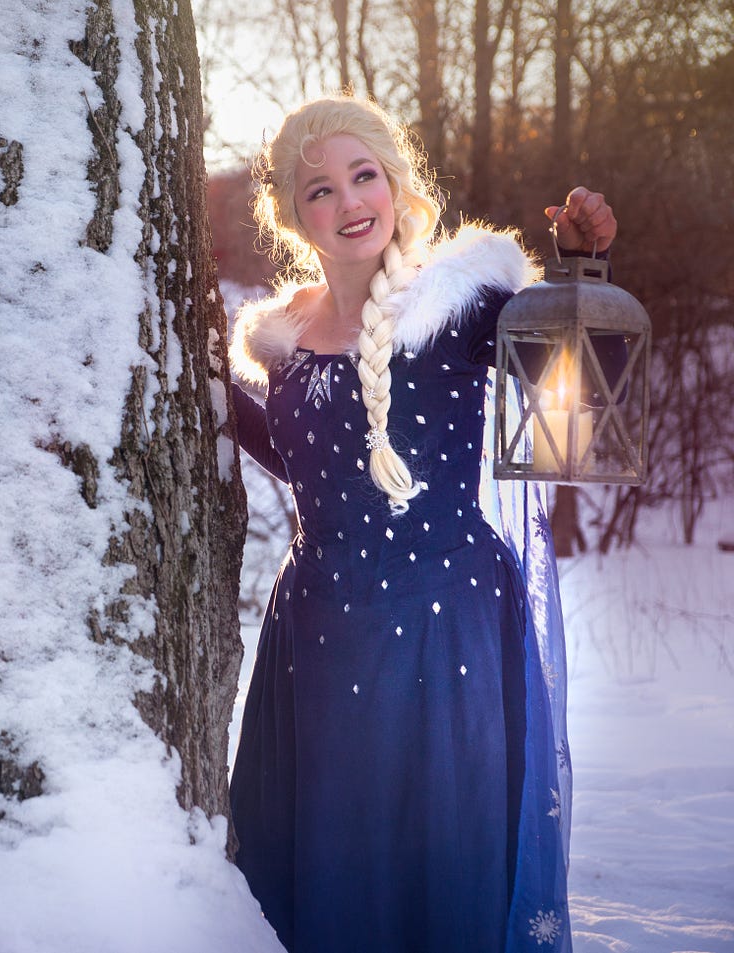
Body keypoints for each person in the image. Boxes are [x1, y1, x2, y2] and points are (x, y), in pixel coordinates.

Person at [225, 96, 616, 953]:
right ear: (293, 215)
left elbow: (575, 408)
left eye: (364, 175)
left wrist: (581, 273)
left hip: (446, 627)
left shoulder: (460, 301)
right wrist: (207, 395)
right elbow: (311, 462)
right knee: (332, 866)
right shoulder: (287, 334)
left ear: (397, 185)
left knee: (440, 858)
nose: (349, 201)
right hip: (318, 635)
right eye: (320, 189)